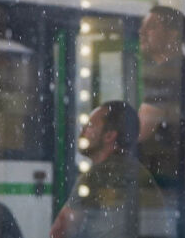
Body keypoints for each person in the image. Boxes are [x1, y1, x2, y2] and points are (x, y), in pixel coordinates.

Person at [50, 101, 163, 238]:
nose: (83, 130)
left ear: (109, 136)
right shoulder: (140, 173)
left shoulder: (96, 176)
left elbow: (60, 230)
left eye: (90, 125)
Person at [137, 5, 185, 189]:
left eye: (151, 26)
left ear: (173, 34)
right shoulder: (184, 67)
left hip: (168, 180)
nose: (141, 32)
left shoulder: (167, 72)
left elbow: (142, 130)